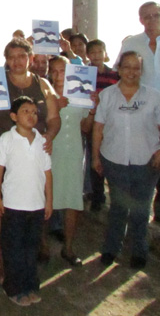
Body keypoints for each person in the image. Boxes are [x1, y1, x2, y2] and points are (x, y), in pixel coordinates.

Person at [0, 37, 60, 282]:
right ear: (6, 60)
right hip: (0, 155)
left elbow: (55, 117)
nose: (16, 61)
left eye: (21, 56)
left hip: (32, 153)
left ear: (31, 58)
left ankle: (33, 247)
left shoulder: (43, 84)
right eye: (11, 57)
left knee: (35, 201)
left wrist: (50, 135)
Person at [93, 51, 160, 270]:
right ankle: (111, 248)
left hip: (146, 162)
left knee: (141, 210)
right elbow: (98, 128)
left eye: (136, 67)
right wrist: (95, 157)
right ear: (118, 69)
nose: (131, 72)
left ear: (142, 71)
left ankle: (139, 251)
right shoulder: (107, 95)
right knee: (117, 207)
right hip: (114, 160)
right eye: (127, 67)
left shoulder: (153, 96)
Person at [118, 1, 160, 230]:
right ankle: (134, 209)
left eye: (156, 15)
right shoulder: (131, 43)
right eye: (147, 16)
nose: (152, 20)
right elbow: (122, 72)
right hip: (140, 106)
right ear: (140, 20)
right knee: (140, 156)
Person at [0, 96, 52, 307]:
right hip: (13, 205)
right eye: (26, 111)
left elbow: (47, 172)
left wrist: (49, 201)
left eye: (35, 112)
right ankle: (14, 288)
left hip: (36, 205)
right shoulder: (6, 139)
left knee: (31, 248)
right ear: (13, 116)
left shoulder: (42, 140)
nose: (31, 115)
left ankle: (31, 286)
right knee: (14, 248)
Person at [48, 56, 94, 266]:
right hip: (49, 154)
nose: (59, 76)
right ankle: (42, 246)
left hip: (74, 153)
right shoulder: (44, 94)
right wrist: (54, 106)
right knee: (44, 200)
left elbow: (85, 128)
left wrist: (93, 109)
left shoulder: (80, 94)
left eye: (63, 71)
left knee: (72, 202)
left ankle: (68, 248)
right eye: (54, 71)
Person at [86, 39, 119, 212]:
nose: (97, 55)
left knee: (112, 159)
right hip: (92, 122)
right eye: (93, 52)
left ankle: (116, 197)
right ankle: (98, 196)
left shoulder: (115, 74)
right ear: (88, 55)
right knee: (95, 158)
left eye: (100, 52)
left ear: (105, 53)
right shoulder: (85, 74)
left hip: (111, 122)